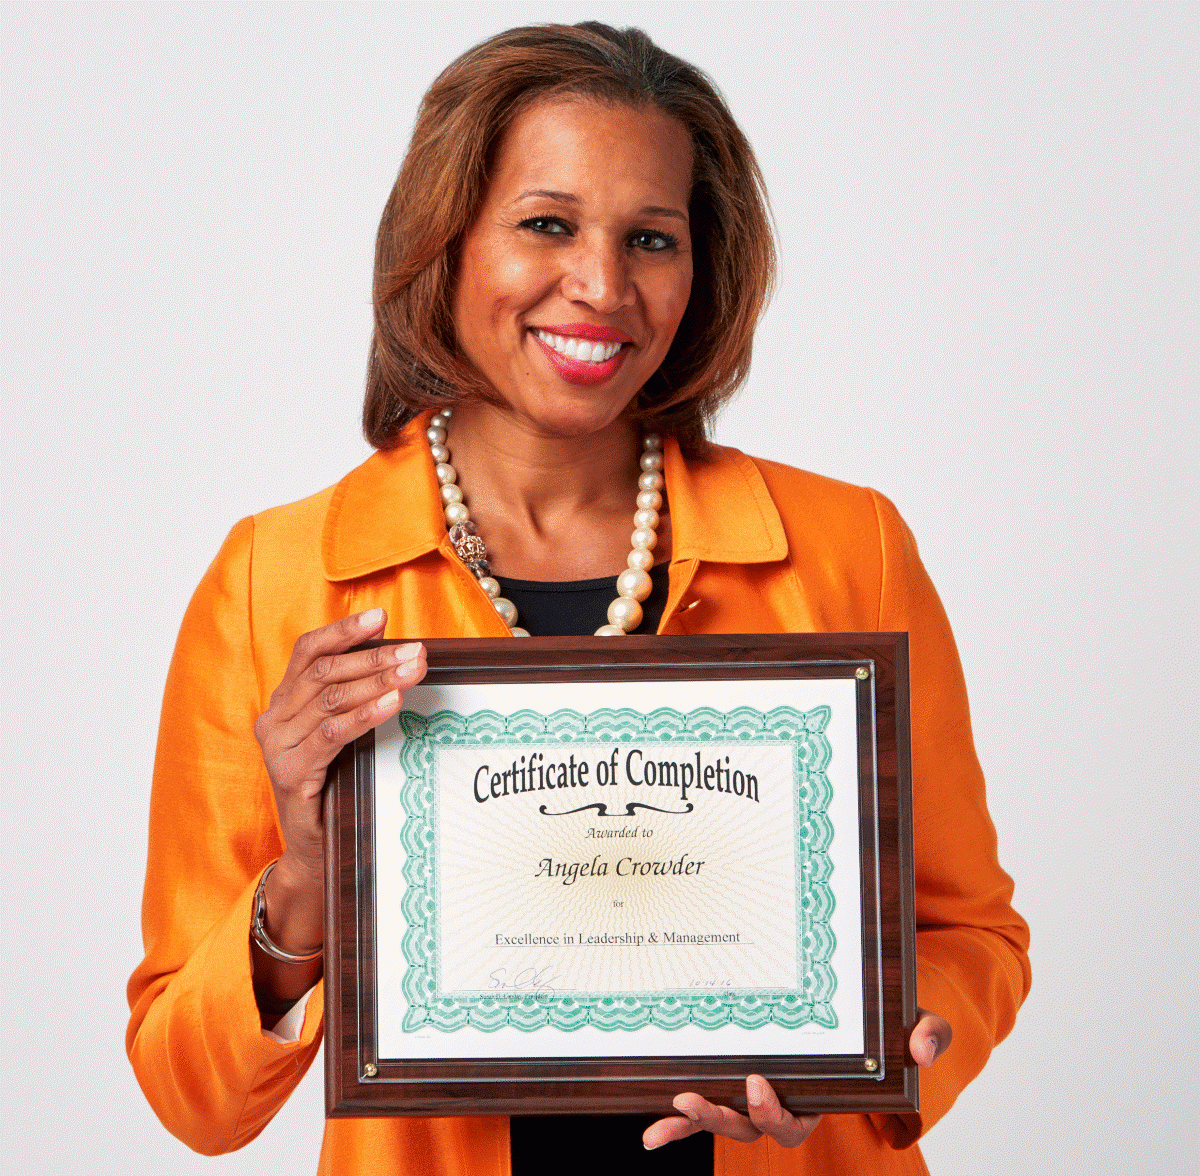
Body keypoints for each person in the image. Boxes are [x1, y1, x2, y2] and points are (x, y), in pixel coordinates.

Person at [127, 21, 1029, 1176]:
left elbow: (968, 935)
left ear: (703, 269)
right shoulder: (276, 580)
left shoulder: (851, 547)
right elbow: (189, 1097)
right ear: (444, 241)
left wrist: (879, 1070)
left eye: (650, 237)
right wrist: (303, 884)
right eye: (547, 222)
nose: (602, 286)